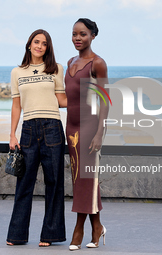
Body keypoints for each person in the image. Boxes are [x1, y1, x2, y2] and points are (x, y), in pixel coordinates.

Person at [6, 29, 67, 247]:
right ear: (29, 44)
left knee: (54, 182)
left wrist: (83, 89)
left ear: (48, 48)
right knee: (24, 183)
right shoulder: (17, 72)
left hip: (52, 127)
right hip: (29, 130)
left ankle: (50, 236)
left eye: (44, 43)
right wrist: (12, 134)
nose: (40, 46)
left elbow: (62, 100)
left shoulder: (56, 69)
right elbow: (16, 105)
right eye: (36, 42)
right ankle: (16, 235)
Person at [65, 18, 109, 251]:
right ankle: (98, 226)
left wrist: (100, 132)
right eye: (74, 34)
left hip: (90, 127)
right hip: (70, 127)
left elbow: (104, 100)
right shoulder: (70, 62)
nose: (77, 38)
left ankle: (78, 230)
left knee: (86, 178)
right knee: (80, 179)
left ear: (92, 35)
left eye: (82, 34)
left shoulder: (98, 63)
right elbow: (67, 98)